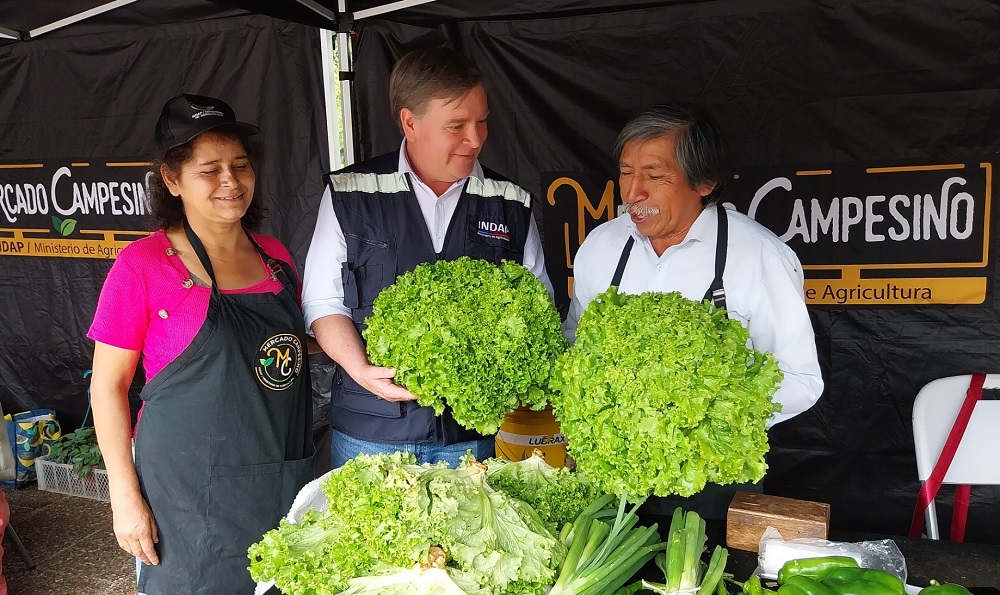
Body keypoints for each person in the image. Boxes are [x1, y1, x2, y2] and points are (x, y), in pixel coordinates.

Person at [88, 94, 314, 595]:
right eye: (209, 170)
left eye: (240, 165)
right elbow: (107, 388)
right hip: (188, 501)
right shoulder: (144, 265)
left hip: (280, 480)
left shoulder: (275, 257)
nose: (231, 181)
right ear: (172, 180)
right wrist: (124, 499)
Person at [564, 102, 823, 518]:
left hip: (710, 483)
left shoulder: (759, 257)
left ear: (705, 182)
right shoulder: (601, 246)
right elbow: (574, 345)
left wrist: (704, 409)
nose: (633, 193)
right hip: (608, 479)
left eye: (655, 176)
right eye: (627, 173)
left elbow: (801, 379)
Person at [302, 47, 552, 469]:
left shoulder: (510, 202)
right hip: (370, 436)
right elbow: (323, 303)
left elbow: (538, 309)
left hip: (472, 443)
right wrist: (361, 370)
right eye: (457, 125)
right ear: (410, 122)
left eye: (482, 120)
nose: (476, 139)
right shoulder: (351, 194)